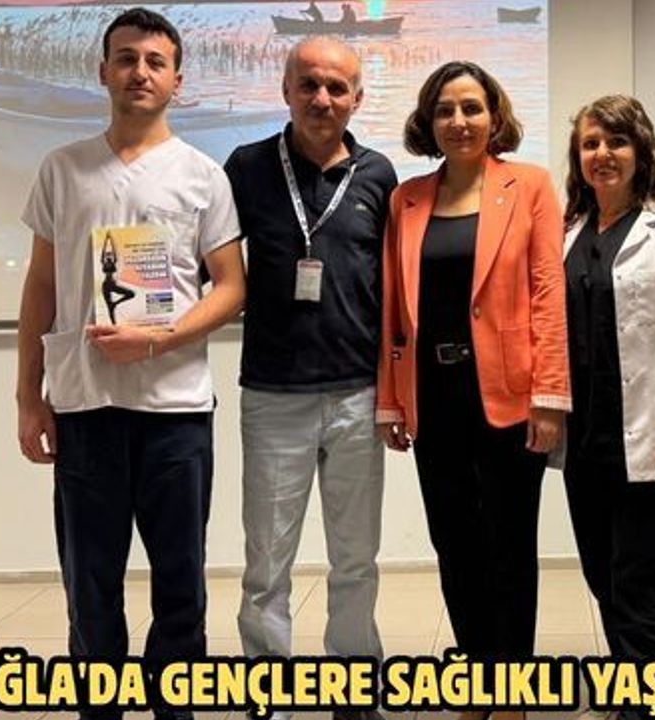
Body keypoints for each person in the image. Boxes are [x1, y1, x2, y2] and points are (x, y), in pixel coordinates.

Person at [15, 8, 245, 720]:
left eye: (154, 61)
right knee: (90, 587)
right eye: (125, 58)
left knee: (181, 585)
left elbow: (231, 286)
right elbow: (41, 286)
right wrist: (28, 396)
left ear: (177, 80)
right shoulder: (62, 169)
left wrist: (158, 340)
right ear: (103, 71)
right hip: (85, 407)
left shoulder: (203, 176)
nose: (139, 72)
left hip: (175, 411)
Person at [375, 60, 569, 706]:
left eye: (471, 108)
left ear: (494, 115)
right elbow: (393, 309)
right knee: (454, 544)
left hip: (510, 396)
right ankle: (478, 677)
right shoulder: (406, 199)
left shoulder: (530, 185)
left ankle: (511, 686)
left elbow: (547, 294)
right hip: (432, 398)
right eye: (445, 110)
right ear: (428, 122)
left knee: (509, 546)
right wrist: (389, 399)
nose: (459, 121)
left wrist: (550, 397)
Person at [222, 36, 397, 696]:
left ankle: (355, 681)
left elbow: (394, 288)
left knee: (356, 558)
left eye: (336, 87)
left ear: (357, 98)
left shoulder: (379, 175)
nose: (322, 99)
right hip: (273, 395)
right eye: (309, 84)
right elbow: (209, 264)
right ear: (286, 89)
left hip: (357, 394)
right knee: (267, 562)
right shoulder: (247, 166)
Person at [559, 95, 655, 720]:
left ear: (640, 150)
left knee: (644, 577)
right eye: (591, 144)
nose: (603, 154)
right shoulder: (568, 231)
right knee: (602, 572)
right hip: (585, 435)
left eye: (616, 142)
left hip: (653, 429)